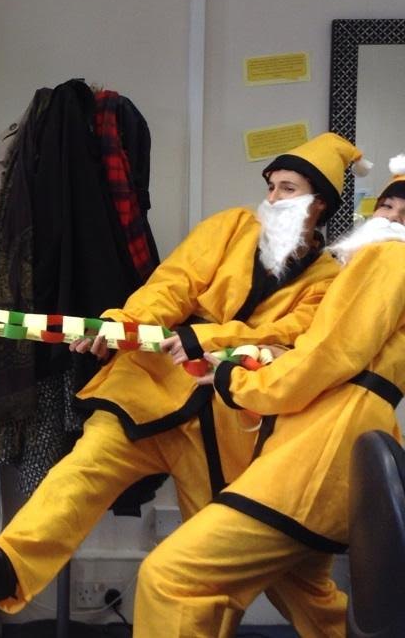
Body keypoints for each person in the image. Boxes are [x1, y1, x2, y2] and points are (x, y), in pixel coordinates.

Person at [0, 133, 366, 635]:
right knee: (81, 472)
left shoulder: (327, 281)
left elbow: (283, 337)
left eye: (288, 188)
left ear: (318, 204)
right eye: (270, 185)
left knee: (227, 559)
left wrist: (203, 336)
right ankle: (1, 569)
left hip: (224, 424)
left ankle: (344, 629)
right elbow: (174, 283)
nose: (272, 198)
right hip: (148, 387)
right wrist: (125, 326)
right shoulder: (231, 227)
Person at [134, 154, 405, 637]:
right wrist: (247, 360)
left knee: (173, 577)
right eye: (387, 206)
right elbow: (332, 352)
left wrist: (236, 383)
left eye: (402, 214)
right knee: (310, 597)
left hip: (314, 460)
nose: (388, 219)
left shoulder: (388, 256)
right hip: (340, 452)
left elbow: (326, 356)